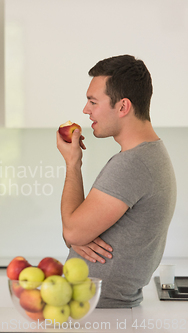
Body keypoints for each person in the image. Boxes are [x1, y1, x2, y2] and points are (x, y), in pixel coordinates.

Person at [57, 55, 176, 308]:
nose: (85, 110)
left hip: (101, 313)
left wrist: (72, 163)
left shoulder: (133, 164)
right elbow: (75, 231)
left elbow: (72, 231)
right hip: (103, 308)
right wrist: (77, 233)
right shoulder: (149, 154)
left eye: (93, 102)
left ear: (123, 107)